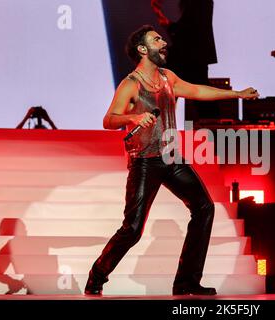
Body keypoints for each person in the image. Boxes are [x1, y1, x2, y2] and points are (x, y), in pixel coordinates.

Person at [84, 25, 259, 296]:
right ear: (142, 49)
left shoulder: (168, 78)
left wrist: (235, 95)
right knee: (132, 229)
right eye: (156, 40)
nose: (163, 42)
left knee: (203, 208)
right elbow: (109, 120)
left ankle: (186, 281)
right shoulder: (131, 83)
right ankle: (97, 276)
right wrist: (132, 117)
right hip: (145, 161)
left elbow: (198, 91)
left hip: (171, 157)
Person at [151, 0, 219, 119]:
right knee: (199, 94)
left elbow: (187, 29)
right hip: (192, 55)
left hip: (189, 56)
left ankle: (213, 126)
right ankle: (212, 126)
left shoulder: (199, 4)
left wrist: (160, 15)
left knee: (167, 90)